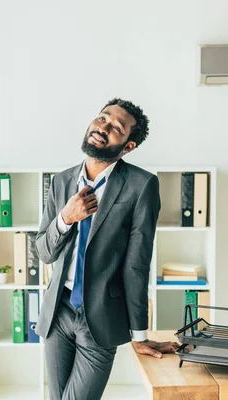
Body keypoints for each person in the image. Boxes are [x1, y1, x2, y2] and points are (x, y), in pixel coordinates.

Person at [35, 98, 179, 400]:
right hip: (57, 311)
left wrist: (140, 335)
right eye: (103, 118)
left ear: (128, 146)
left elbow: (137, 265)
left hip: (99, 317)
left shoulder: (141, 185)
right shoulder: (61, 182)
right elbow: (44, 252)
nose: (103, 128)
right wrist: (66, 218)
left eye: (116, 128)